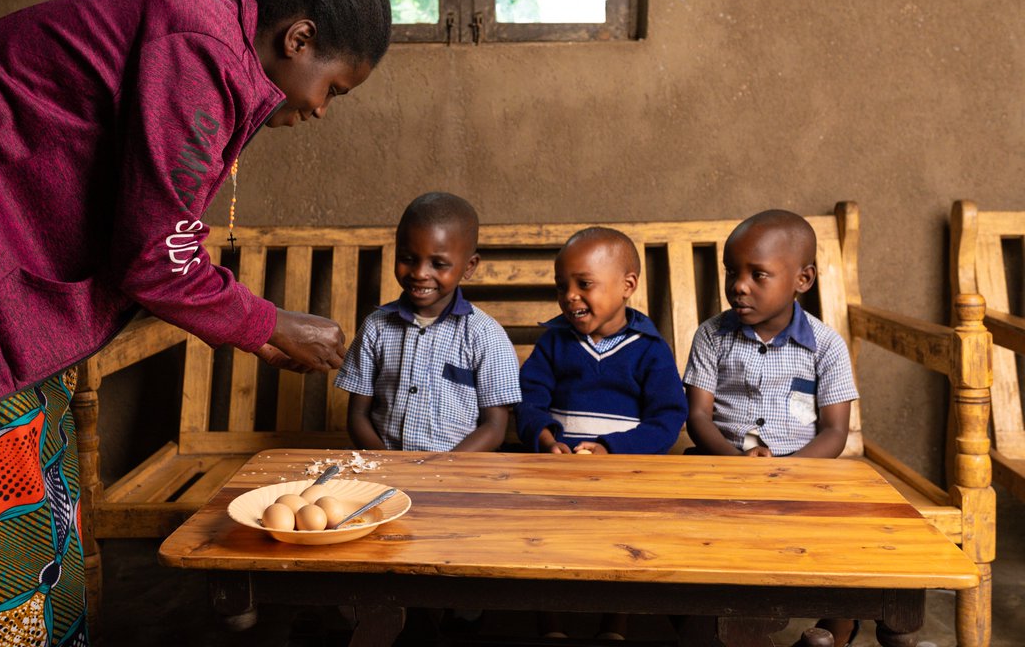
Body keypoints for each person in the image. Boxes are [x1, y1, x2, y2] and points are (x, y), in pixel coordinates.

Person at [0, 0, 390, 646]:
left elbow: (156, 231)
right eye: (333, 89)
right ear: (299, 39)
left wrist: (249, 324)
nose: (319, 109)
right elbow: (154, 252)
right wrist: (267, 323)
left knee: (27, 488)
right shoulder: (198, 53)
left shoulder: (208, 55)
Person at [682, 209, 861, 647]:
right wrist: (738, 465)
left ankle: (834, 631)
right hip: (721, 463)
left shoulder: (826, 346)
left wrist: (784, 470)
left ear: (803, 280)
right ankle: (712, 629)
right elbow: (698, 417)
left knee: (847, 527)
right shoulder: (712, 336)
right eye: (731, 272)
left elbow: (835, 432)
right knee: (686, 523)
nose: (738, 286)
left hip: (803, 470)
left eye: (758, 274)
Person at [515, 227, 687, 640]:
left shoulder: (649, 348)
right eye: (563, 286)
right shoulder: (556, 342)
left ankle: (615, 624)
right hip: (556, 472)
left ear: (627, 286)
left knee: (626, 539)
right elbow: (527, 399)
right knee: (538, 536)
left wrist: (614, 450)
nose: (570, 295)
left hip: (624, 476)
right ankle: (550, 626)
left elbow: (667, 418)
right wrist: (544, 438)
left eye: (584, 284)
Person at [335, 192, 521, 452]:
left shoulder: (485, 335)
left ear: (469, 266)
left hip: (456, 473)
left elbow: (494, 427)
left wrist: (446, 468)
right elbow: (357, 416)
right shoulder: (376, 327)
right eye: (407, 259)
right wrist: (387, 463)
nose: (420, 273)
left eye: (438, 263)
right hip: (383, 467)